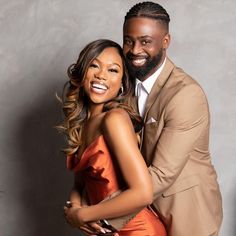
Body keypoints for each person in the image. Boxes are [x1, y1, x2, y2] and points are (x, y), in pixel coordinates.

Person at [108, 2, 222, 236]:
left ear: (166, 42)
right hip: (143, 214)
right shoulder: (124, 84)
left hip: (187, 216)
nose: (134, 50)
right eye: (128, 40)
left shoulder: (185, 94)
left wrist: (100, 214)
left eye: (146, 41)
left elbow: (162, 174)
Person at [59, 39, 167, 236]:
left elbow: (142, 193)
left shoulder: (114, 119)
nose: (101, 75)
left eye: (113, 70)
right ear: (82, 72)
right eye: (94, 66)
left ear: (122, 82)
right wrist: (74, 209)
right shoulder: (82, 125)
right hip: (107, 231)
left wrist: (83, 215)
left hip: (138, 231)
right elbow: (80, 184)